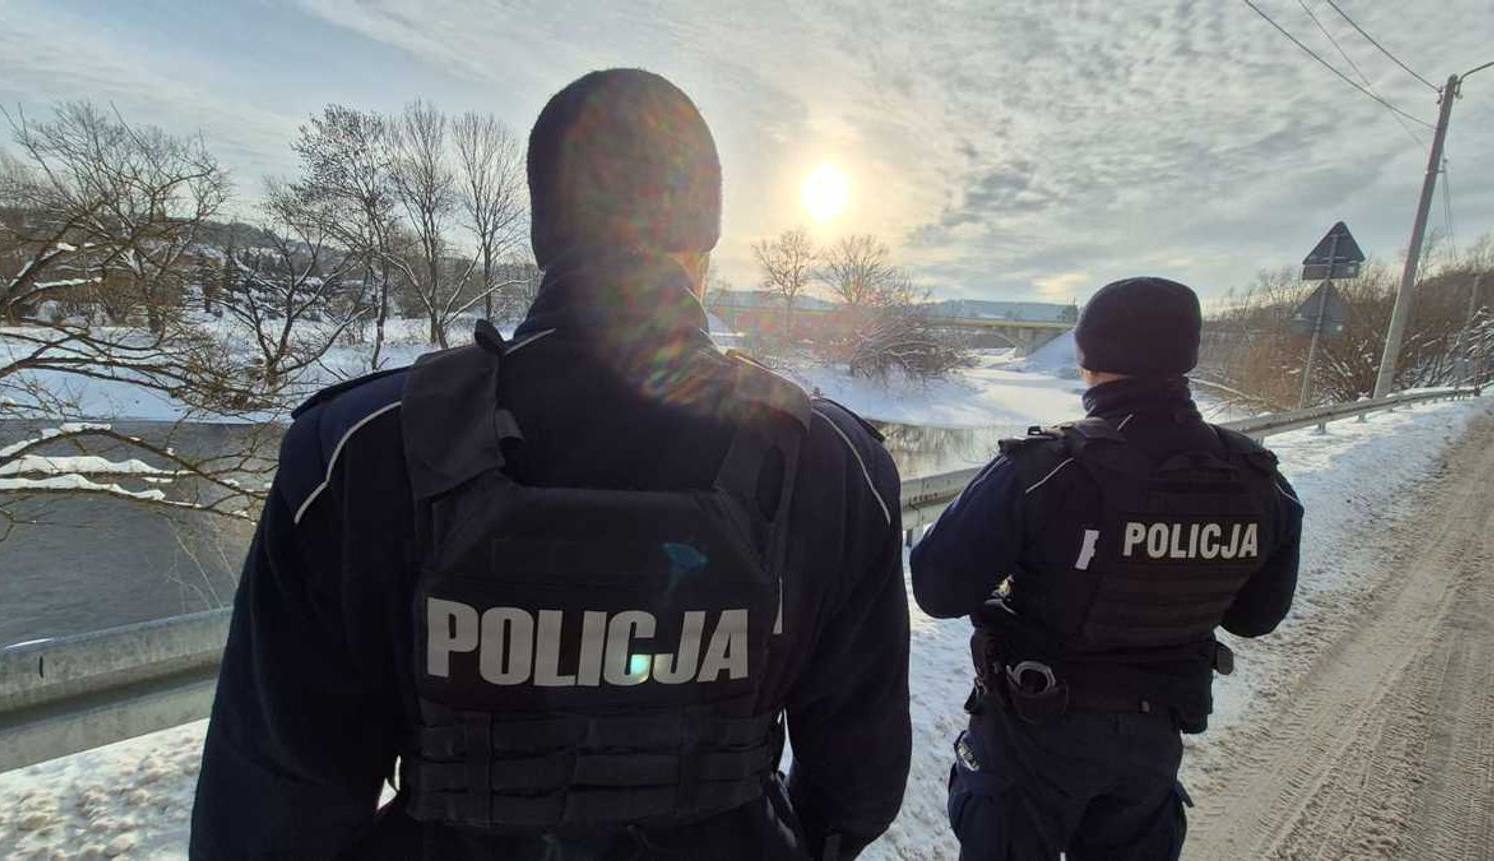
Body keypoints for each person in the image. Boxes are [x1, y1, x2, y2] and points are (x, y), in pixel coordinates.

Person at [190, 69, 911, 860]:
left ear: (544, 233)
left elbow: (266, 817)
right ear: (703, 241)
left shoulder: (355, 452)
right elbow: (858, 788)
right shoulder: (837, 467)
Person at [910, 277, 1304, 860]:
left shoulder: (1046, 467)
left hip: (1032, 736)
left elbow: (937, 588)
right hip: (1152, 744)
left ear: (1089, 359)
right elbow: (1256, 618)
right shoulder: (1259, 481)